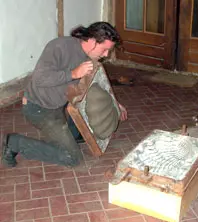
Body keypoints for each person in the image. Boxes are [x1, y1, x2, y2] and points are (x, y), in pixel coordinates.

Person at [1, 22, 127, 168]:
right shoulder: (59, 46)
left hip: (60, 106)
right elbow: (40, 78)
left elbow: (97, 82)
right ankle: (14, 142)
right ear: (92, 41)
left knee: (74, 134)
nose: (106, 55)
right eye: (104, 49)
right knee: (72, 157)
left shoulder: (90, 57)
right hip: (39, 109)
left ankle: (67, 136)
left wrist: (115, 104)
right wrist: (73, 73)